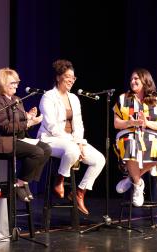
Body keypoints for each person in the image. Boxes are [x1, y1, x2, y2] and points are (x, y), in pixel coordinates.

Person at [37, 59, 105, 215]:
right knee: (73, 150)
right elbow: (52, 126)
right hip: (50, 139)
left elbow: (79, 124)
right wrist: (74, 142)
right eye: (68, 76)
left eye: (73, 78)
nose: (71, 80)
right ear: (58, 77)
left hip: (73, 142)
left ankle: (79, 192)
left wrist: (80, 142)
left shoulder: (74, 98)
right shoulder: (48, 97)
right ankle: (59, 180)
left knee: (99, 159)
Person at [0, 68, 51, 202]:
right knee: (37, 152)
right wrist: (28, 123)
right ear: (2, 84)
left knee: (46, 149)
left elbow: (18, 120)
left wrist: (28, 117)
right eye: (12, 82)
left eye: (17, 82)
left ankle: (24, 182)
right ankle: (20, 184)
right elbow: (6, 126)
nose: (16, 85)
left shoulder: (17, 99)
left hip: (17, 138)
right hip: (2, 142)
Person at [113, 68, 157, 206]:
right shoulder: (123, 98)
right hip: (128, 134)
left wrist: (147, 123)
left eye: (136, 79)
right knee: (130, 143)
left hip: (151, 135)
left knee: (156, 148)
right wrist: (130, 122)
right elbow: (116, 123)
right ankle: (138, 184)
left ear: (145, 80)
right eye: (131, 79)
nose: (132, 81)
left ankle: (132, 178)